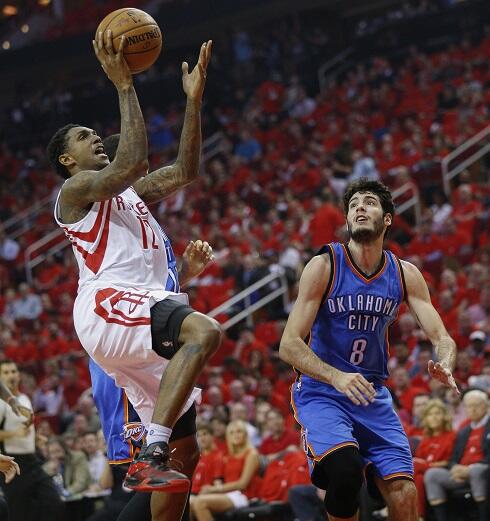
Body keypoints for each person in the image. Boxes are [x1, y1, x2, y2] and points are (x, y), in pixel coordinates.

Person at [46, 29, 220, 508]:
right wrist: (125, 84)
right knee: (203, 333)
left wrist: (193, 103)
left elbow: (185, 170)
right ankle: (153, 447)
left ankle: (162, 449)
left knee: (187, 455)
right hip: (107, 306)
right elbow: (132, 162)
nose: (96, 138)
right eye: (85, 138)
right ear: (67, 160)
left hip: (140, 310)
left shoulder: (131, 195)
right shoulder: (74, 193)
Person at [279, 178, 458, 521]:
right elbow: (288, 344)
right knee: (345, 472)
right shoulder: (325, 264)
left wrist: (445, 363)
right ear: (347, 219)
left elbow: (442, 338)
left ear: (387, 218)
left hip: (372, 395)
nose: (360, 207)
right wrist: (337, 377)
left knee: (405, 494)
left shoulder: (405, 274)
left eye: (369, 203)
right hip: (323, 392)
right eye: (354, 204)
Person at [0, 360, 64, 521]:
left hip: (32, 460)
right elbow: (14, 432)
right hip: (12, 461)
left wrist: (35, 438)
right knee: (19, 512)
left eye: (13, 371)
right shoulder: (1, 404)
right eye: (6, 372)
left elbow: (25, 429)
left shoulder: (24, 398)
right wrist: (14, 433)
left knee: (53, 502)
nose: (11, 376)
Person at [424, 389, 489, 521]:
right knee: (432, 475)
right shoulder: (463, 431)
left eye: (477, 405)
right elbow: (453, 458)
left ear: (486, 405)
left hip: (482, 471)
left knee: (477, 471)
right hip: (460, 474)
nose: (473, 409)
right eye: (469, 406)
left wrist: (469, 469)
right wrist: (454, 468)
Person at [189, 420, 261, 520]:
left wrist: (214, 489)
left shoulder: (251, 454)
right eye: (232, 432)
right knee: (188, 504)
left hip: (244, 495)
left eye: (239, 431)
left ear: (245, 434)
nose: (235, 435)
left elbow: (242, 484)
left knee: (200, 502)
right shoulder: (228, 455)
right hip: (228, 493)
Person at [413, 399, 456, 519]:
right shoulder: (426, 439)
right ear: (426, 419)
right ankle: (419, 516)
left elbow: (450, 462)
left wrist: (427, 465)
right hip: (423, 474)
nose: (434, 417)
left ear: (444, 416)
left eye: (437, 413)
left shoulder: (452, 435)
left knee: (414, 465)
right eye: (430, 414)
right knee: (419, 478)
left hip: (443, 471)